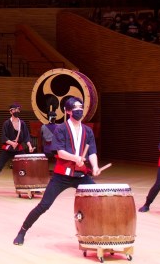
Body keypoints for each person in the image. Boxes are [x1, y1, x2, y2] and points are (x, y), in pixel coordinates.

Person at [12, 97, 100, 245]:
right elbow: (59, 152)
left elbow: (92, 151)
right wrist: (75, 157)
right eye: (76, 108)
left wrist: (95, 166)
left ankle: (97, 234)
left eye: (81, 107)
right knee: (44, 205)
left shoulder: (88, 131)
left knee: (98, 199)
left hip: (81, 175)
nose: (79, 110)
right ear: (67, 111)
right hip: (62, 176)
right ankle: (22, 231)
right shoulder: (61, 129)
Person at [0, 103, 35, 193]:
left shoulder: (22, 123)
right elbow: (4, 137)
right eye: (14, 109)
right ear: (10, 111)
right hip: (7, 149)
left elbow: (27, 137)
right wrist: (11, 143)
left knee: (27, 167)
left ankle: (32, 186)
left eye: (18, 109)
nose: (16, 111)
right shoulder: (6, 123)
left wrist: (30, 146)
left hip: (18, 149)